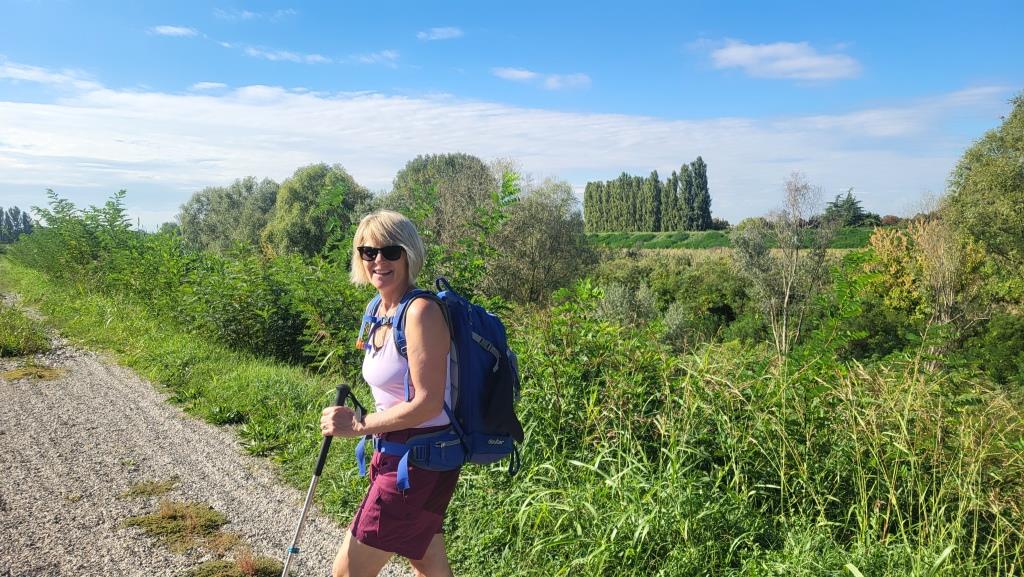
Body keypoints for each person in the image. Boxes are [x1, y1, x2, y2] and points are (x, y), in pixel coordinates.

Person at [320, 210, 459, 577]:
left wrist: (359, 425)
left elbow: (428, 402)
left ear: (409, 254)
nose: (378, 260)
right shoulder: (378, 311)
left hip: (415, 463)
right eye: (368, 252)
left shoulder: (421, 312)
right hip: (403, 456)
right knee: (427, 562)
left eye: (390, 251)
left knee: (347, 573)